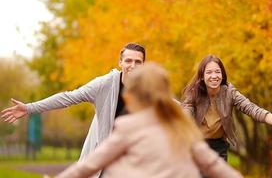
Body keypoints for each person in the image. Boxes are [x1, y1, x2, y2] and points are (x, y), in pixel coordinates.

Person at [55, 62, 243, 178]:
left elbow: (91, 164)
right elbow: (212, 164)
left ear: (131, 98)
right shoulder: (181, 126)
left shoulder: (128, 127)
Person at [1, 43, 145, 163]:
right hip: (103, 158)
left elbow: (166, 107)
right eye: (128, 60)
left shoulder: (150, 89)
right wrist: (29, 108)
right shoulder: (103, 85)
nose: (133, 65)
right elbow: (68, 97)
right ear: (120, 62)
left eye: (138, 62)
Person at [182, 55, 272, 160]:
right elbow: (185, 113)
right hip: (197, 146)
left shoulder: (229, 93)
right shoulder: (194, 93)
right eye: (209, 72)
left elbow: (254, 110)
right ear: (202, 76)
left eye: (217, 72)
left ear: (222, 74)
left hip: (219, 148)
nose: (214, 76)